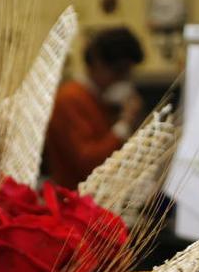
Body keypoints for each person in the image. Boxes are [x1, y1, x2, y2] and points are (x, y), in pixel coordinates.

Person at [45, 27, 145, 188]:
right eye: (119, 71)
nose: (123, 79)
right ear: (98, 64)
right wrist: (124, 123)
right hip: (71, 200)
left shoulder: (101, 99)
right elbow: (88, 163)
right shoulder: (70, 98)